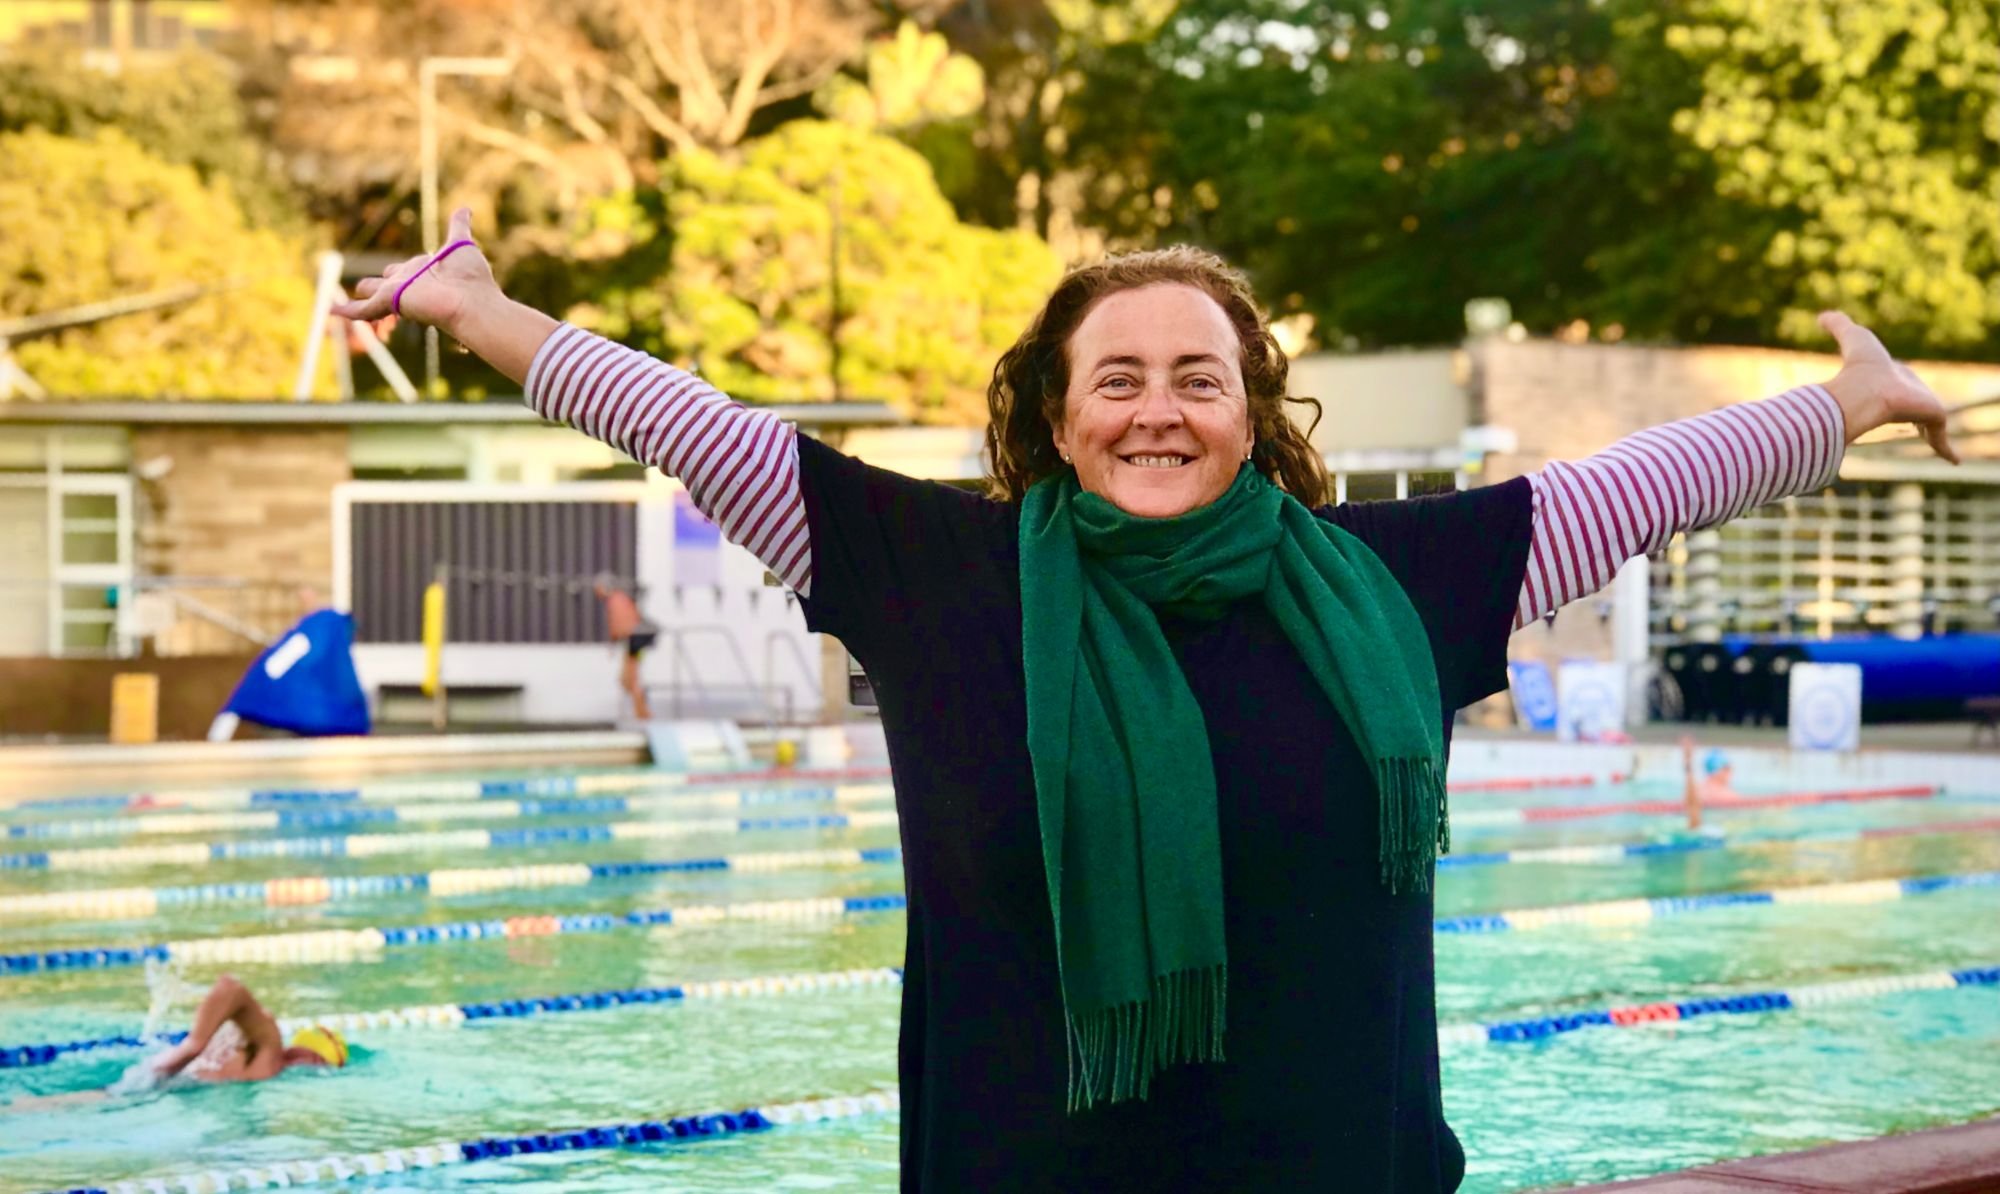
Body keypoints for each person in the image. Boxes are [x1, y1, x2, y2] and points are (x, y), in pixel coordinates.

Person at [335, 208, 1955, 1192]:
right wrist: (479, 314)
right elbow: (698, 426)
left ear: (1253, 409)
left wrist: (1845, 402)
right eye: (1118, 375)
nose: (1159, 408)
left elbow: (1638, 483)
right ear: (1058, 410)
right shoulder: (940, 573)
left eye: (1201, 375)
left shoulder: (1380, 584)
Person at [148, 973, 348, 1083]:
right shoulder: (270, 1047)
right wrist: (195, 1045)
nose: (312, 1066)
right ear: (306, 1053)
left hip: (156, 1082)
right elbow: (230, 987)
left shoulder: (267, 1066)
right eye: (319, 1061)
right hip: (159, 1079)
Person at [593, 573, 657, 721]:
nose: (596, 593)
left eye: (597, 589)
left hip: (634, 643)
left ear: (603, 587)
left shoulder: (616, 600)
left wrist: (614, 641)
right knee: (627, 679)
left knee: (630, 678)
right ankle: (641, 710)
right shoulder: (620, 599)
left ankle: (643, 713)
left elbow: (622, 625)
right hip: (634, 643)